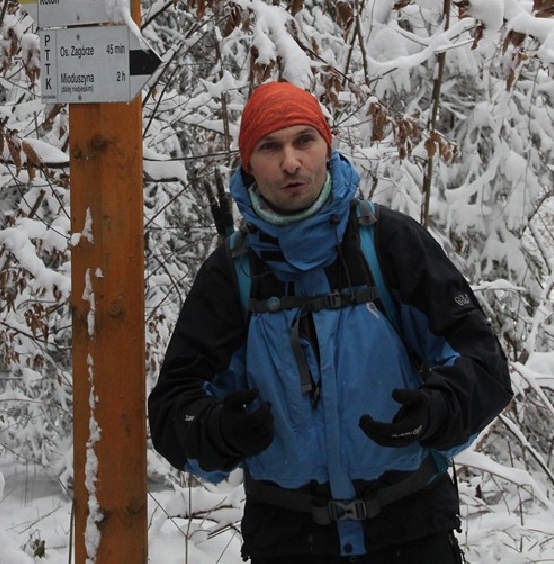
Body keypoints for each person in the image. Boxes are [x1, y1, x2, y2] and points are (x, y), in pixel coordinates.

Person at [148, 81, 513, 563]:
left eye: (304, 140)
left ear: (327, 146)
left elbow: (483, 365)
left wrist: (436, 410)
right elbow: (173, 409)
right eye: (269, 147)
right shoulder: (232, 275)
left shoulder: (388, 244)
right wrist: (218, 430)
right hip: (288, 542)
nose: (290, 162)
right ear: (248, 164)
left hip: (411, 534)